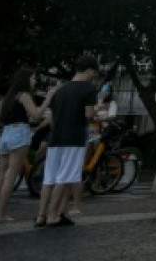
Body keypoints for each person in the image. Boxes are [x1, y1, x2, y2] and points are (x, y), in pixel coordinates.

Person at [38, 55, 106, 227]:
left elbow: (53, 118)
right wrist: (96, 109)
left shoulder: (60, 89)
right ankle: (54, 215)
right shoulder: (88, 89)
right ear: (90, 70)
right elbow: (89, 115)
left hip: (55, 138)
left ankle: (41, 216)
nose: (93, 76)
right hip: (73, 138)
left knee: (49, 178)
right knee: (64, 177)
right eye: (94, 73)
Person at [0, 67, 42, 224]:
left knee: (1, 176)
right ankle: (1, 214)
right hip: (19, 132)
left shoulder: (8, 97)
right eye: (33, 77)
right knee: (11, 175)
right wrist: (48, 100)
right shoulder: (24, 95)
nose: (34, 80)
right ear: (26, 79)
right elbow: (36, 114)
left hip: (6, 133)